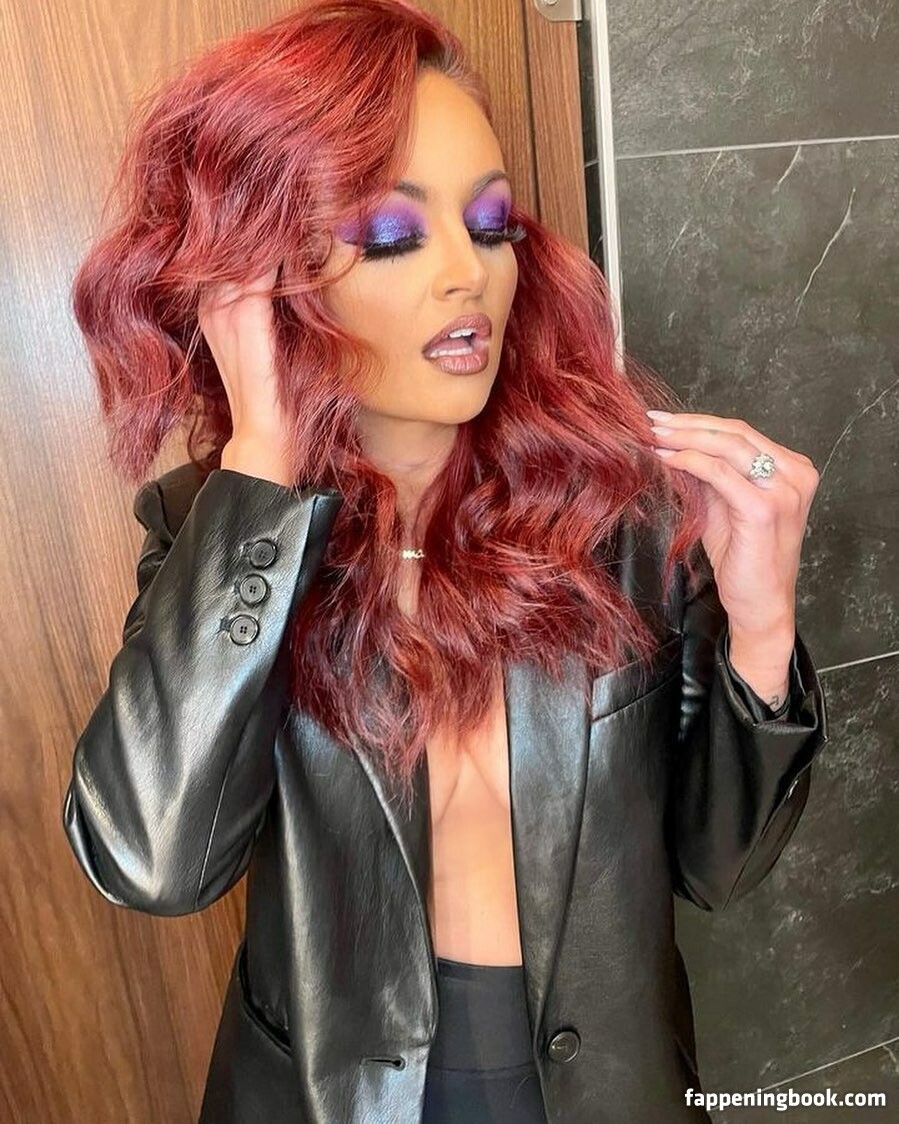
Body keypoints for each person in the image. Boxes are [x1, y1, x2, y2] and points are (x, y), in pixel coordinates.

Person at [61, 2, 829, 1122]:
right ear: (263, 280)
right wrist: (262, 456)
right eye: (390, 235)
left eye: (489, 223)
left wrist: (760, 624)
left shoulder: (612, 514)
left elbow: (718, 864)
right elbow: (151, 860)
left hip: (604, 1090)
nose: (468, 272)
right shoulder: (217, 532)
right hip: (329, 1095)